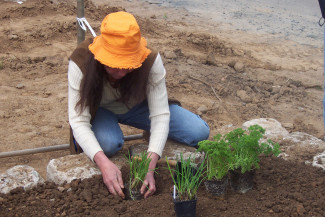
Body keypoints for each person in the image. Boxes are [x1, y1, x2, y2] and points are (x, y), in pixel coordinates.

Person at [68, 11, 210, 199]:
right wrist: (104, 164)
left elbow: (160, 115)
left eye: (127, 65)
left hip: (136, 105)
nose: (120, 72)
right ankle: (108, 134)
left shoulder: (150, 60)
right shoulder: (81, 61)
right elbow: (78, 121)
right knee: (108, 144)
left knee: (198, 131)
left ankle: (152, 135)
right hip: (100, 110)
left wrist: (150, 164)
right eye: (114, 65)